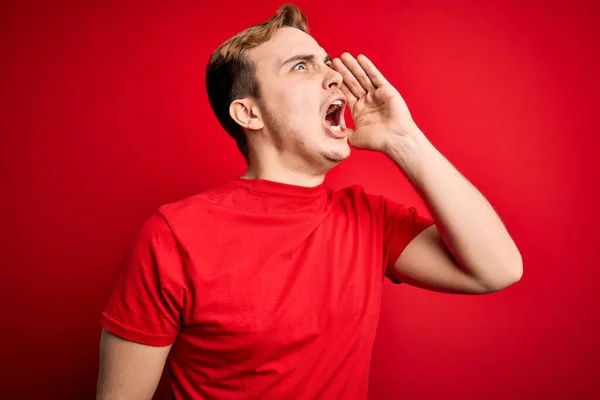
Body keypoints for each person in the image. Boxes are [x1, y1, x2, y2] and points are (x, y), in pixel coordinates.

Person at [96, 4, 523, 400]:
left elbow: (497, 270)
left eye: (325, 60)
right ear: (249, 114)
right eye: (301, 66)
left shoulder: (368, 219)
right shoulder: (173, 234)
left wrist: (403, 140)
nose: (333, 75)